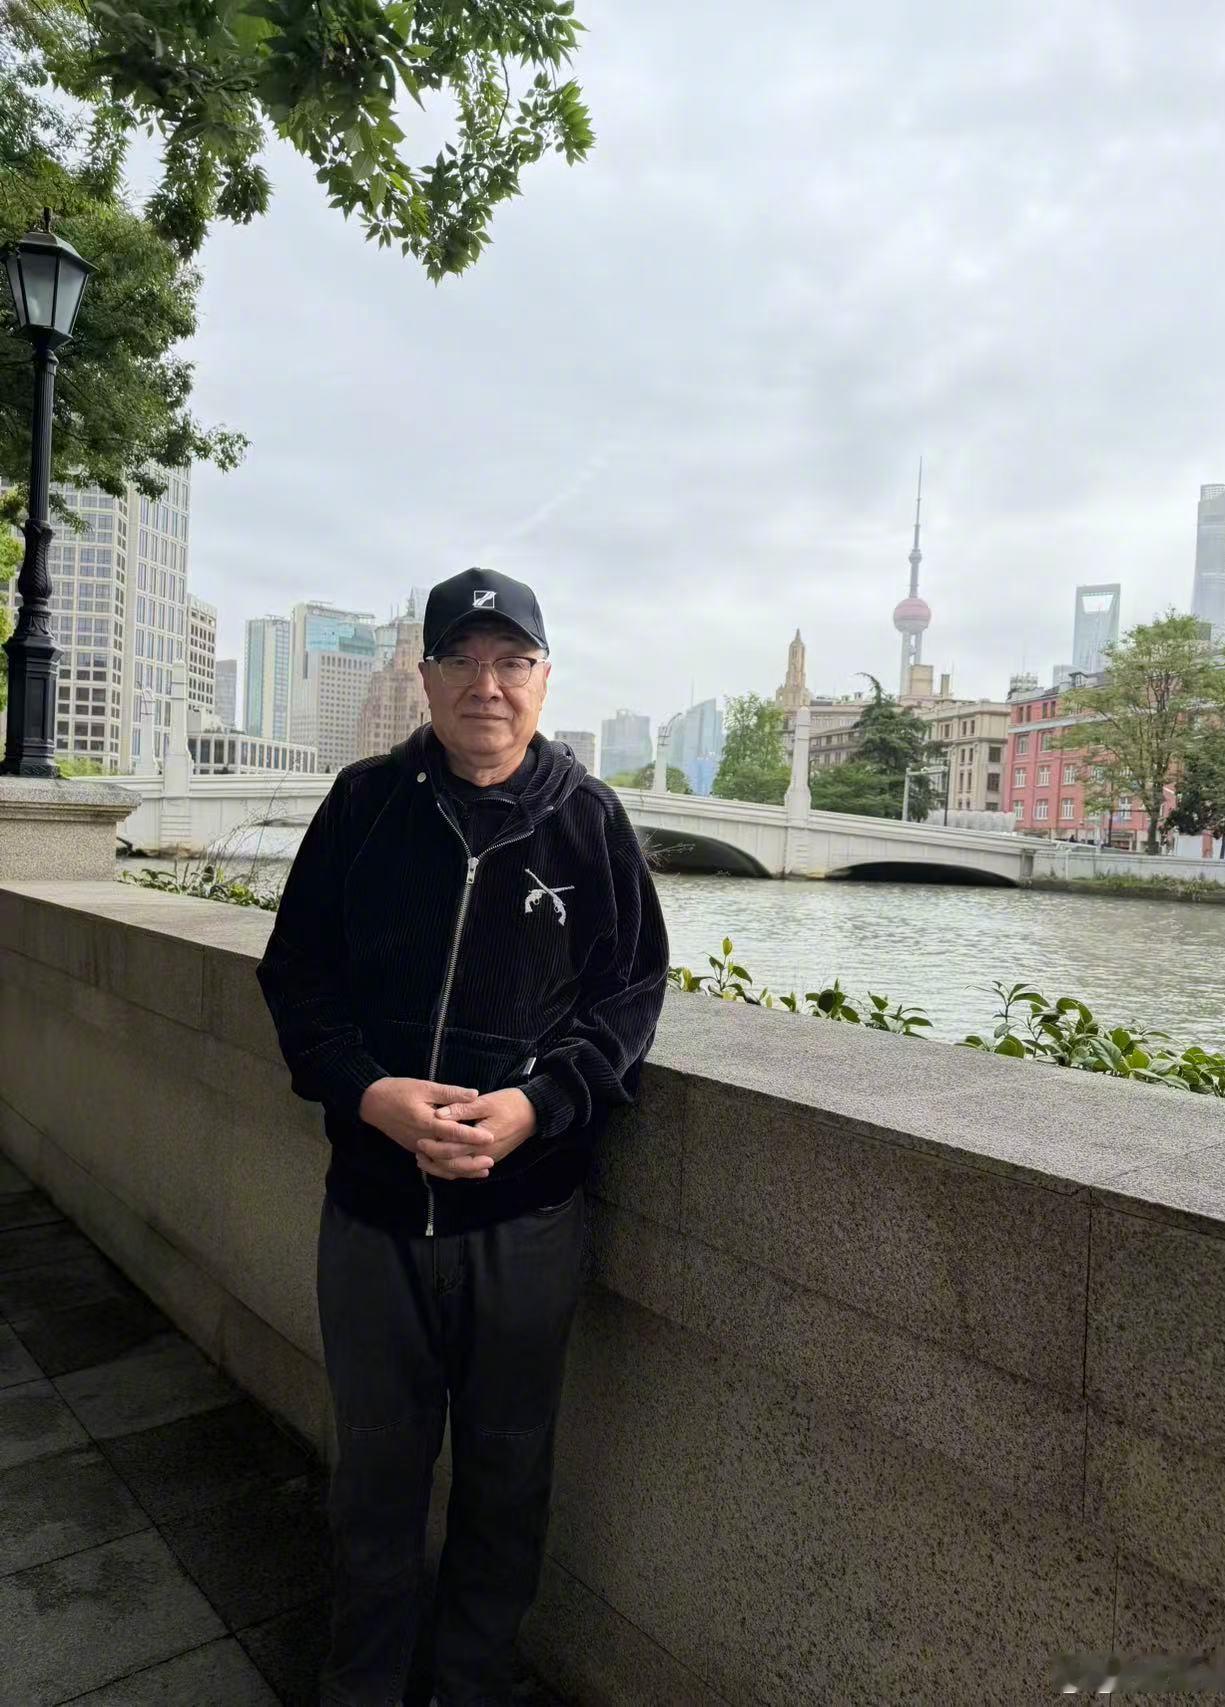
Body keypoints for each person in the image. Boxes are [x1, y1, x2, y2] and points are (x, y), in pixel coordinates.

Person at [256, 567, 669, 1707]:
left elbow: (628, 999)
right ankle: (364, 1684)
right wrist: (371, 1095)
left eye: (512, 662)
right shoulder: (363, 807)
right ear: (425, 677)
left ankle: (469, 1685)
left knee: (506, 1477)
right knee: (373, 1481)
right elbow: (298, 980)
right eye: (463, 661)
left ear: (544, 679)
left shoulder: (589, 822)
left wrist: (538, 1106)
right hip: (373, 1214)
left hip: (525, 1220)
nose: (488, 686)